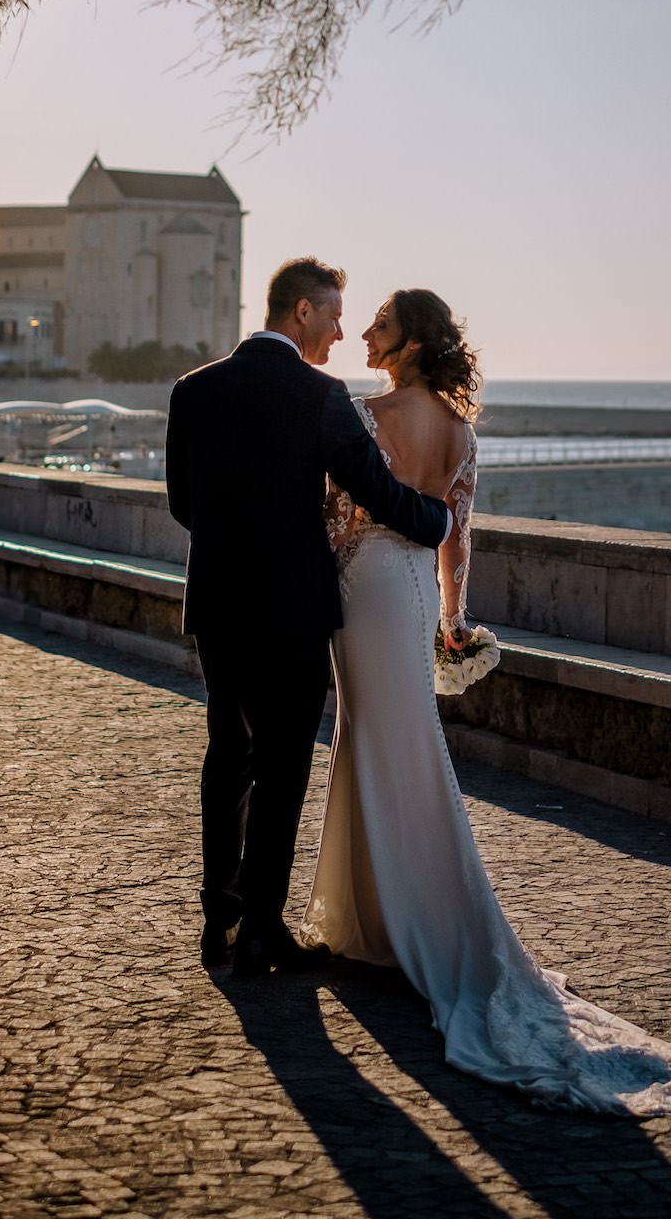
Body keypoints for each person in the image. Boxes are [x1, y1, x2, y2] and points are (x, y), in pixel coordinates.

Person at [302, 288, 671, 1118]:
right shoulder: (460, 432)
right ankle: (390, 917)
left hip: (365, 586)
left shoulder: (364, 414)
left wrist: (333, 570)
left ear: (409, 343)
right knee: (399, 742)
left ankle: (390, 925)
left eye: (379, 323)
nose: (366, 333)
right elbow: (457, 537)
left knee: (369, 740)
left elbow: (338, 518)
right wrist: (451, 620)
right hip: (412, 591)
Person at [165, 257, 453, 975]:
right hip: (293, 609)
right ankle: (263, 928)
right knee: (283, 764)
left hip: (220, 604)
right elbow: (378, 492)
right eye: (331, 315)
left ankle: (217, 918)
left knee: (227, 755)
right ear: (301, 313)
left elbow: (181, 505)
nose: (339, 330)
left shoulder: (192, 391)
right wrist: (436, 522)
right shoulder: (320, 396)